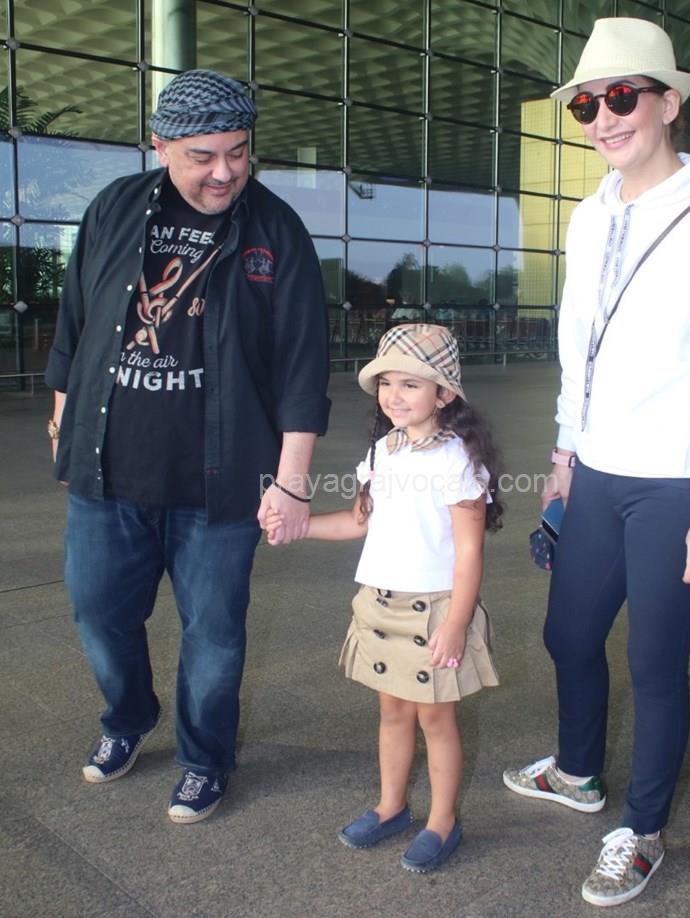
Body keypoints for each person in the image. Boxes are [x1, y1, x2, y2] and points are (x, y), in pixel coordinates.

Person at [502, 17, 690, 907]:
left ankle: (643, 832)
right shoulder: (590, 217)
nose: (604, 117)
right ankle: (578, 772)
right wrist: (564, 455)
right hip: (600, 469)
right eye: (586, 104)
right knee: (568, 634)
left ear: (668, 104)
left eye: (622, 96)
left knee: (656, 662)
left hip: (683, 482)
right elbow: (578, 349)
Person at [44, 69, 330, 823]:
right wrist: (63, 423)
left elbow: (302, 366)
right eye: (203, 156)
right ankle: (129, 717)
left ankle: (205, 759)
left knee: (215, 638)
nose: (225, 172)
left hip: (222, 482)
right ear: (160, 145)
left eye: (238, 151)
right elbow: (75, 325)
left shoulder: (276, 230)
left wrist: (292, 481)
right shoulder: (113, 209)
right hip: (107, 470)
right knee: (98, 615)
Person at [265, 324, 502, 872]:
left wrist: (457, 623)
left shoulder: (458, 459)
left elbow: (469, 553)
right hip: (380, 602)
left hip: (434, 610)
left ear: (444, 394)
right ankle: (391, 806)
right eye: (387, 383)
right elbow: (358, 521)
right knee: (392, 712)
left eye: (411, 384)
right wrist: (298, 526)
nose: (394, 395)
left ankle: (442, 821)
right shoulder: (383, 451)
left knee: (436, 720)